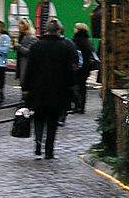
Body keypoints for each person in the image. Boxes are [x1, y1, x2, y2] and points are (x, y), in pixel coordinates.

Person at [21, 18, 77, 159]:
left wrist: (25, 87)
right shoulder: (65, 47)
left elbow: (30, 69)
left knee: (39, 117)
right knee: (52, 121)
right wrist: (71, 87)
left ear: (46, 30)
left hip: (38, 88)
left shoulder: (37, 47)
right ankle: (49, 149)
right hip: (58, 90)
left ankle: (38, 143)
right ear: (59, 31)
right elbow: (69, 71)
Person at [71, 22, 98, 114]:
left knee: (76, 86)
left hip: (77, 67)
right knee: (83, 87)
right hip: (86, 67)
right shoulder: (88, 41)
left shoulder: (76, 41)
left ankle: (77, 105)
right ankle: (82, 106)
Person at [15, 18, 38, 83]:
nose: (19, 26)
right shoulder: (21, 36)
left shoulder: (31, 37)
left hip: (26, 64)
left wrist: (18, 46)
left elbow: (28, 52)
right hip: (21, 63)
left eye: (21, 24)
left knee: (25, 82)